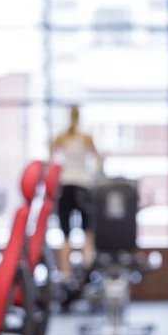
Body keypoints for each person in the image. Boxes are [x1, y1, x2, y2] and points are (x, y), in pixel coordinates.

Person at [50, 105, 102, 281]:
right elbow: (99, 159)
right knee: (87, 231)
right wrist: (94, 176)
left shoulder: (61, 137)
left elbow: (50, 159)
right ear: (79, 117)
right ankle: (87, 269)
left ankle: (65, 275)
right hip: (82, 185)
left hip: (65, 186)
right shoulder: (86, 137)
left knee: (66, 234)